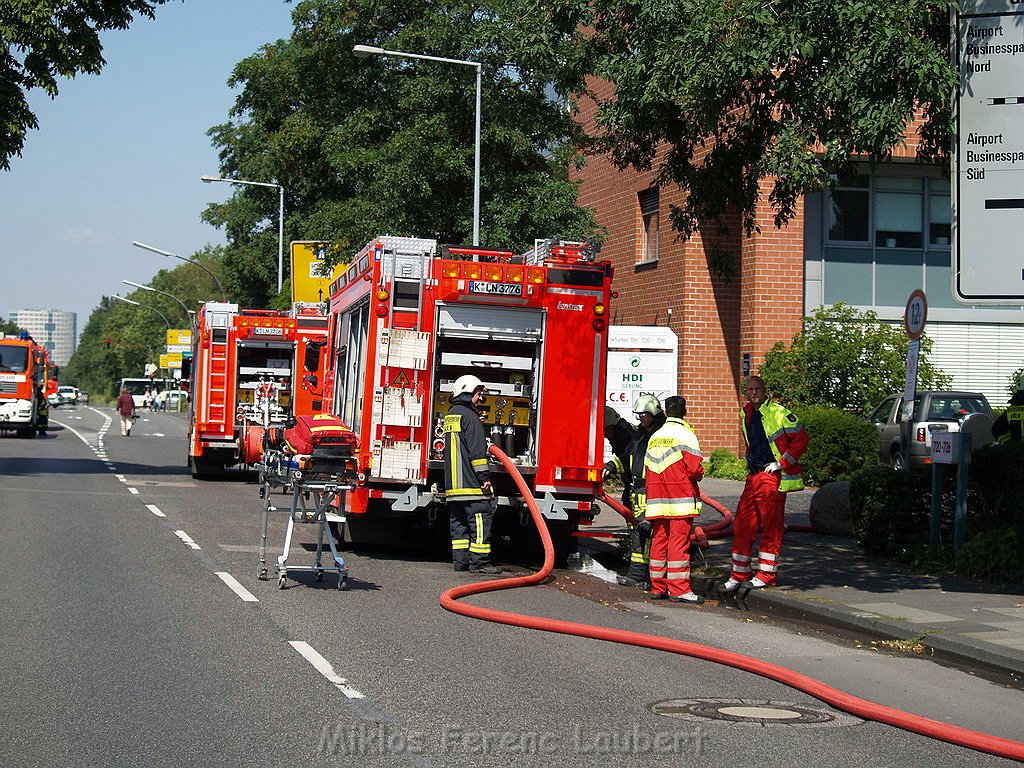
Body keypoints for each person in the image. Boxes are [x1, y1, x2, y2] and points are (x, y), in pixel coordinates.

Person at [721, 376, 808, 593]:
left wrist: (782, 463)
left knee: (771, 525)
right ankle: (739, 574)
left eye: (757, 389)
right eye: (750, 389)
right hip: (754, 476)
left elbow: (801, 438)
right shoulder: (746, 412)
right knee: (743, 524)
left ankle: (766, 574)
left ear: (764, 390)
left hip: (771, 476)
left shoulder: (779, 413)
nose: (753, 393)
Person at [644, 396, 705, 604]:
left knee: (659, 541)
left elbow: (648, 469)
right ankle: (679, 590)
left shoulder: (656, 436)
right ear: (684, 412)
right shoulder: (686, 434)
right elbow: (695, 469)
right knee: (679, 544)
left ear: (667, 413)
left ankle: (658, 587)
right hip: (680, 499)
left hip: (657, 500)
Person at [443, 374, 501, 575]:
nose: (479, 398)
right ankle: (479, 563)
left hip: (453, 487)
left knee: (458, 525)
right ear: (467, 393)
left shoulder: (451, 415)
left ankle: (460, 563)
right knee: (479, 521)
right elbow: (477, 452)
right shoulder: (471, 417)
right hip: (471, 485)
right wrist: (484, 479)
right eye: (477, 393)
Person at [608, 394, 666, 590]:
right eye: (638, 415)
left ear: (653, 413)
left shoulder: (660, 435)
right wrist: (611, 466)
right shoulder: (640, 435)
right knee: (637, 535)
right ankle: (636, 575)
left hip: (652, 489)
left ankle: (648, 578)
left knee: (646, 534)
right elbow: (627, 457)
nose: (640, 418)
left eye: (643, 415)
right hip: (637, 491)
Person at [602, 405, 636, 508]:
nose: (604, 434)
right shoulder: (618, 433)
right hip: (630, 477)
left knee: (629, 501)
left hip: (636, 478)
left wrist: (612, 467)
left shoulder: (626, 436)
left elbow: (630, 457)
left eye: (605, 430)